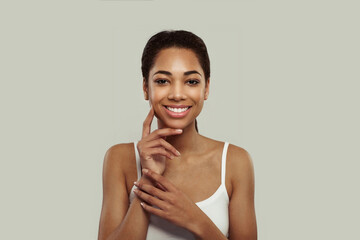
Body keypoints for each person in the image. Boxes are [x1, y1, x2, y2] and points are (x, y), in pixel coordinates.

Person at [97, 30, 257, 240]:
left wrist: (194, 219)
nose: (177, 94)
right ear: (146, 88)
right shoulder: (119, 158)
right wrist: (149, 180)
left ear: (206, 88)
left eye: (191, 81)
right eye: (163, 81)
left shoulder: (236, 161)